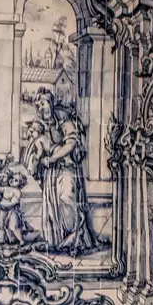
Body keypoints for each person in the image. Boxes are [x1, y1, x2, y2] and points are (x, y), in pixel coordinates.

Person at [30, 89, 102, 254]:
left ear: (51, 102)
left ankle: (74, 237)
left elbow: (71, 143)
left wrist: (53, 158)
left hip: (67, 166)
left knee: (67, 198)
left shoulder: (63, 118)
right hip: (50, 171)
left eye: (43, 103)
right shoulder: (39, 123)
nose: (40, 107)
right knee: (51, 204)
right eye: (38, 104)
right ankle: (56, 240)